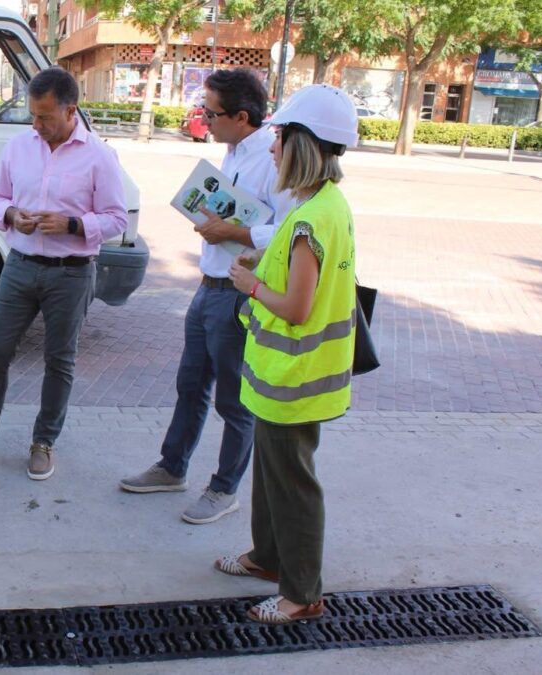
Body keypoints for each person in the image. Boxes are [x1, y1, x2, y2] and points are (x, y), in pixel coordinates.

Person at [119, 68, 291, 524]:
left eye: (211, 113)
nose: (204, 120)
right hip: (207, 287)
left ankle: (224, 488)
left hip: (239, 294)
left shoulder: (274, 160)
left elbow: (289, 231)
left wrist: (231, 231)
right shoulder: (232, 153)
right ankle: (172, 466)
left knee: (234, 401)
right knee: (190, 385)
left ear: (241, 115)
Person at [217, 84, 360, 624]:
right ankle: (266, 558)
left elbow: (297, 308)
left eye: (279, 137)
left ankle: (301, 594)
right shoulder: (324, 205)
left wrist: (248, 285)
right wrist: (264, 260)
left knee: (293, 486)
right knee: (274, 476)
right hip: (286, 376)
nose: (272, 147)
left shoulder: (309, 219)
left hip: (293, 379)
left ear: (304, 144)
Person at [0, 67, 127, 481]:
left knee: (59, 361)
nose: (37, 124)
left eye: (45, 117)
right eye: (33, 114)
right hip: (20, 266)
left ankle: (44, 442)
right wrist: (11, 215)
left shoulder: (99, 155)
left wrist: (73, 225)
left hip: (72, 273)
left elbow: (117, 218)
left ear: (70, 111)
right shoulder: (18, 147)